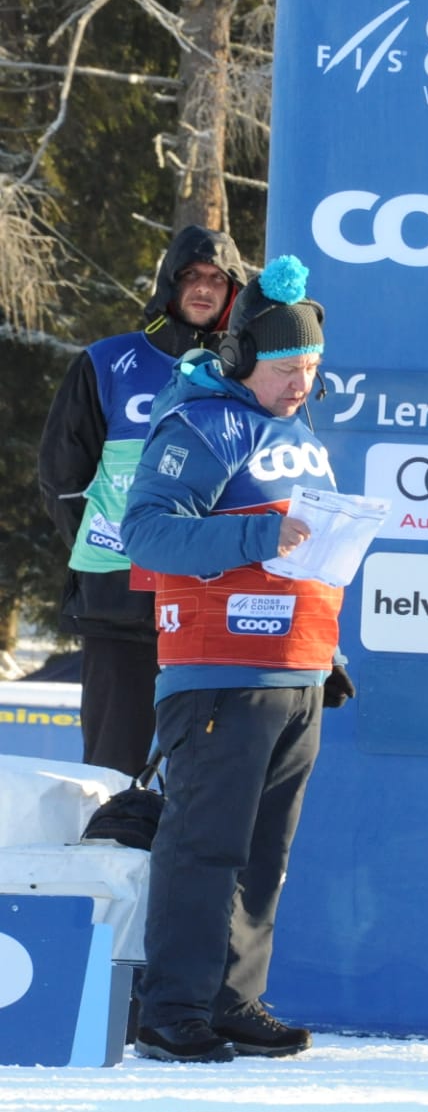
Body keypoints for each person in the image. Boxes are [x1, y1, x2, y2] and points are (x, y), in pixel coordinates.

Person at [119, 255, 352, 1063]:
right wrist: (257, 534)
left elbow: (307, 547)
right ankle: (171, 1007)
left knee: (262, 852)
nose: (302, 383)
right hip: (219, 669)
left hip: (298, 670)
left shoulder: (301, 435)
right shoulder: (201, 425)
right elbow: (146, 532)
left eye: (313, 369)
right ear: (243, 358)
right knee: (204, 844)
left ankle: (232, 998)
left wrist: (331, 649)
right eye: (288, 367)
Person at [38, 227, 248, 776]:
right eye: (191, 277)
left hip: (210, 604)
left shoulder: (246, 375)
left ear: (233, 293)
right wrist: (114, 550)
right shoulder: (108, 361)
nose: (203, 289)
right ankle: (105, 857)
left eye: (217, 280)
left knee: (205, 772)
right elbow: (61, 478)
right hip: (119, 603)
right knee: (111, 766)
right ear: (168, 284)